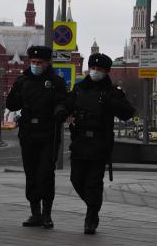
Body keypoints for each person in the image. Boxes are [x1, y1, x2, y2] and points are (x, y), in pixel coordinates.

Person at [61, 53, 135, 235]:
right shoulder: (79, 88)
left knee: (93, 183)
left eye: (99, 69)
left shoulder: (112, 92)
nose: (95, 71)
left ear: (106, 71)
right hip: (79, 142)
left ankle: (91, 216)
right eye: (93, 68)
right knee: (76, 179)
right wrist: (61, 110)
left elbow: (127, 113)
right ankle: (93, 206)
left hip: (99, 144)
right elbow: (67, 103)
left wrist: (112, 103)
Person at [6, 45, 66, 229]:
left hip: (48, 133)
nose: (35, 65)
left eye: (39, 62)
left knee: (46, 173)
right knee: (31, 174)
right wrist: (16, 94)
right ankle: (35, 213)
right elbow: (12, 103)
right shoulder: (23, 81)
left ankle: (47, 213)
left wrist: (60, 110)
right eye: (32, 62)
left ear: (47, 63)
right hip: (28, 133)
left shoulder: (56, 82)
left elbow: (64, 101)